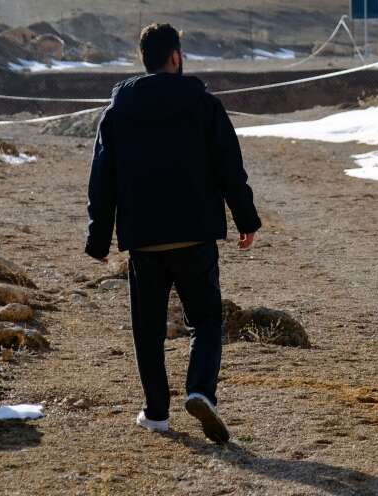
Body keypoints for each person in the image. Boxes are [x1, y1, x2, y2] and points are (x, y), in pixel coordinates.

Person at [84, 23, 261, 443]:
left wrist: (98, 239)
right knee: (206, 320)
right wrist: (246, 220)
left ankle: (157, 412)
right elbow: (229, 168)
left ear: (145, 59)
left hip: (144, 241)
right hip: (196, 236)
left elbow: (101, 178)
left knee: (147, 329)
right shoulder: (204, 106)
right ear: (176, 57)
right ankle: (200, 389)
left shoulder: (118, 111)